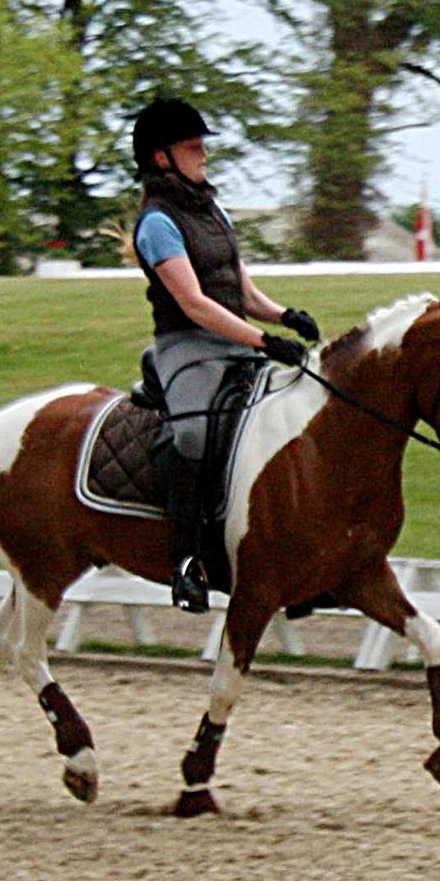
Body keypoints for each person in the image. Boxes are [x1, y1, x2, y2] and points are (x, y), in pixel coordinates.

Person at [130, 97, 320, 613]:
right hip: (187, 347)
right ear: (161, 157)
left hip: (233, 341)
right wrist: (262, 341)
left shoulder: (213, 210)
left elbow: (241, 292)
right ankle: (187, 561)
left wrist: (284, 317)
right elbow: (193, 303)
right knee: (192, 436)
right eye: (193, 148)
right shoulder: (156, 223)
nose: (203, 156)